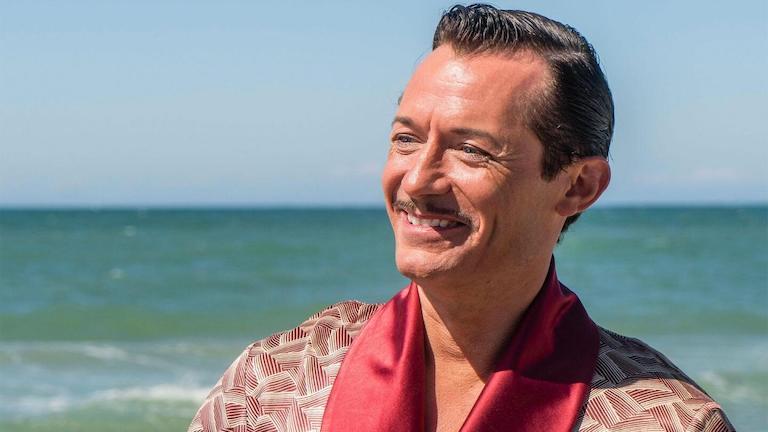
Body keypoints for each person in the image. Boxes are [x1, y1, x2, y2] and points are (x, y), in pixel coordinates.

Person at [189, 5, 734, 432]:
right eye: (406, 139)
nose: (418, 180)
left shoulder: (664, 420)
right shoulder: (274, 381)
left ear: (578, 186)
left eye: (471, 150)